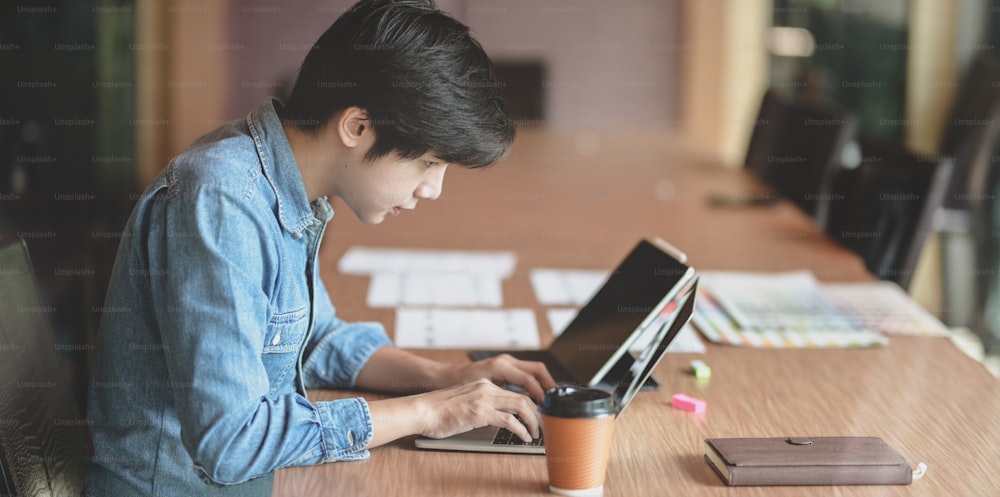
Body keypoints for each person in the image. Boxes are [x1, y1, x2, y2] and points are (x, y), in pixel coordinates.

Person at [84, 1, 555, 496]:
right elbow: (231, 442)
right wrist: (427, 412)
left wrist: (446, 377)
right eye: (428, 163)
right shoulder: (224, 202)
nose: (433, 190)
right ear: (356, 127)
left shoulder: (283, 183)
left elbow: (314, 340)